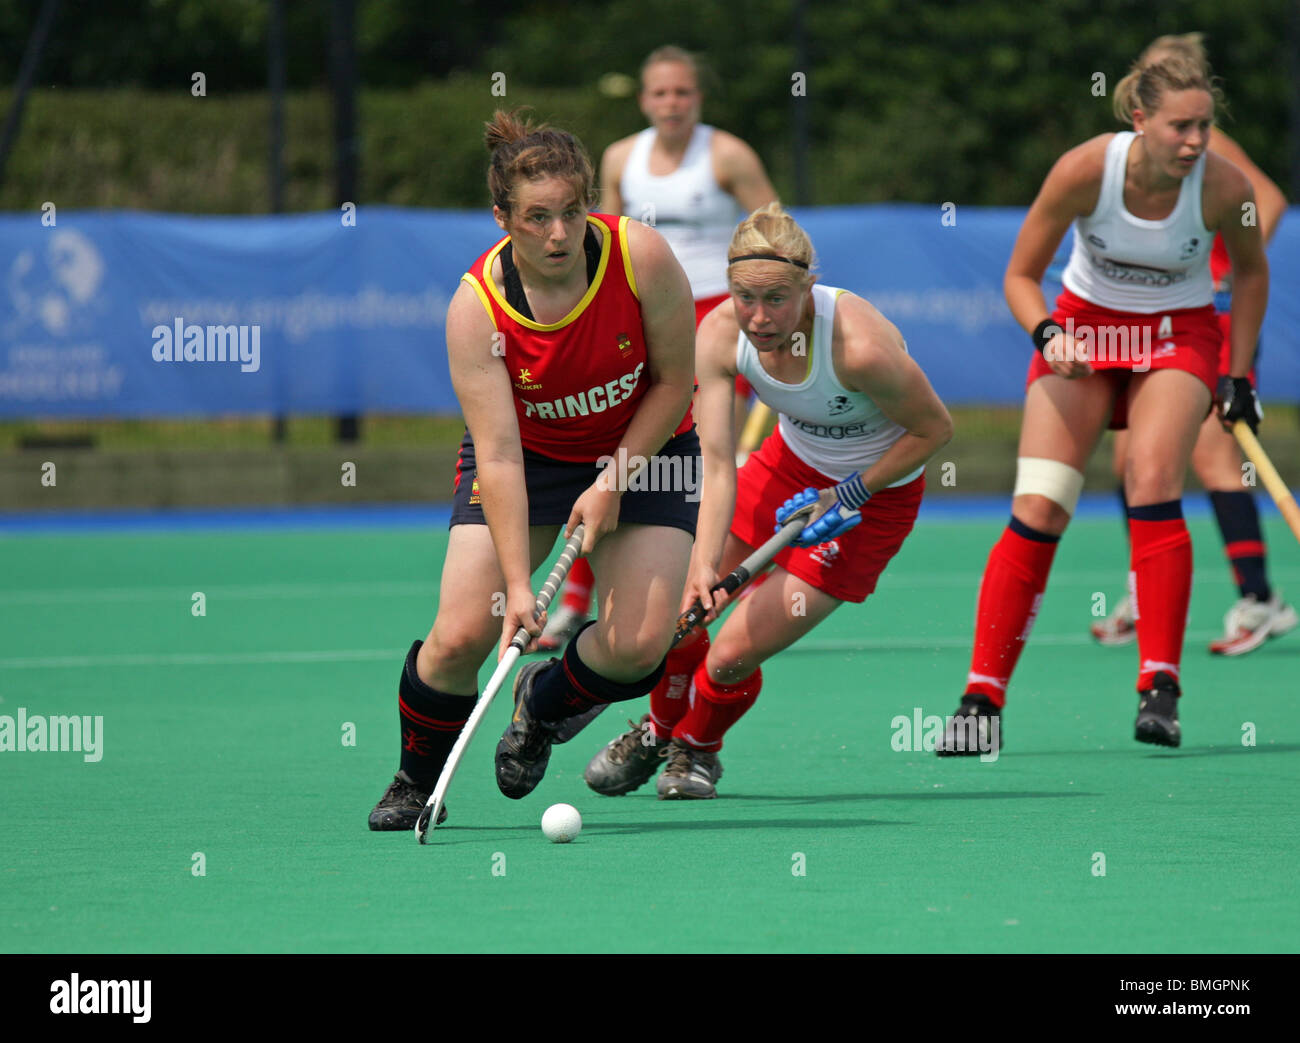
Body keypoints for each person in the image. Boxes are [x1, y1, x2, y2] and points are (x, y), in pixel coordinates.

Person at [368, 109, 700, 828]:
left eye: (572, 212)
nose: (559, 234)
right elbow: (499, 452)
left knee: (643, 645)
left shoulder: (639, 255)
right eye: (538, 217)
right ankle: (416, 779)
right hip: (534, 457)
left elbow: (676, 384)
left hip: (649, 446)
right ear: (502, 218)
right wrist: (519, 588)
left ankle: (542, 703)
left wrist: (613, 478)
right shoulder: (476, 309)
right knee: (461, 635)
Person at [936, 50, 1268, 755]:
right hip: (1084, 334)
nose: (1195, 142)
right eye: (1180, 127)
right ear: (1139, 119)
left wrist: (1238, 376)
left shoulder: (1222, 187)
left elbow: (1251, 270)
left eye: (1205, 126)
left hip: (1179, 337)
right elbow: (1021, 275)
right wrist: (1048, 333)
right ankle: (981, 698)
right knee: (1040, 503)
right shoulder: (1086, 169)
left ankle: (1160, 688)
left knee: (1150, 481)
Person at [582, 202, 953, 799]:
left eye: (776, 299)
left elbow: (935, 432)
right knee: (683, 615)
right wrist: (703, 563)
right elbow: (719, 462)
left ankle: (696, 751)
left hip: (870, 501)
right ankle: (655, 730)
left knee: (729, 654)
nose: (758, 318)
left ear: (808, 284)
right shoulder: (720, 334)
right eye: (743, 297)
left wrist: (850, 492)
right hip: (780, 471)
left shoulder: (860, 349)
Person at [539, 44, 779, 653]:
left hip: (716, 322)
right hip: (644, 320)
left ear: (698, 98)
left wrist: (757, 310)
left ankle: (710, 580)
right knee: (619, 458)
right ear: (644, 99)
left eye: (683, 93)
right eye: (661, 94)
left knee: (700, 462)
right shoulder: (622, 157)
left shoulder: (727, 155)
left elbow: (775, 235)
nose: (673, 104)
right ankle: (574, 605)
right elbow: (601, 250)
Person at [1090, 33, 1294, 656]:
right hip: (1162, 322)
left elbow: (1271, 200)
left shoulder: (1206, 145)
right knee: (1132, 463)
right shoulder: (1135, 156)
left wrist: (1224, 266)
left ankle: (1260, 598)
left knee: (1213, 457)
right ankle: (1143, 585)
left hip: (1216, 316)